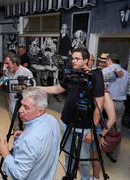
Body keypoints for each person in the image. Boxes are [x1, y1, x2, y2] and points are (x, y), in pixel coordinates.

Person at [40, 48, 104, 180]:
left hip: (84, 124)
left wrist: (93, 129)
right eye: (72, 58)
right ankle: (69, 176)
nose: (73, 61)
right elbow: (58, 88)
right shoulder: (70, 74)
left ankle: (85, 178)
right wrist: (38, 88)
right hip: (66, 121)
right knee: (68, 153)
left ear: (86, 60)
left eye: (77, 59)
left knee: (83, 157)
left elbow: (99, 105)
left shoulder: (95, 77)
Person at [0, 87, 60, 180]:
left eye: (26, 107)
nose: (20, 110)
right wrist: (25, 134)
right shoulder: (52, 120)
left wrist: (5, 153)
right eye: (21, 105)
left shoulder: (30, 140)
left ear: (39, 111)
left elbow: (19, 174)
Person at [102, 53, 129, 163]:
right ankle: (114, 155)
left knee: (102, 127)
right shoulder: (126, 73)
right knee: (117, 129)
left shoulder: (106, 70)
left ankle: (99, 151)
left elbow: (102, 87)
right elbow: (126, 87)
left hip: (106, 103)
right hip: (120, 104)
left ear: (109, 61)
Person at [4, 52, 34, 132]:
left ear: (14, 63)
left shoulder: (26, 72)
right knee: (15, 130)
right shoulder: (8, 73)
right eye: (5, 64)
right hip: (12, 106)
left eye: (7, 63)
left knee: (27, 130)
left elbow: (33, 88)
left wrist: (17, 88)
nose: (6, 66)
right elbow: (8, 89)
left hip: (25, 107)